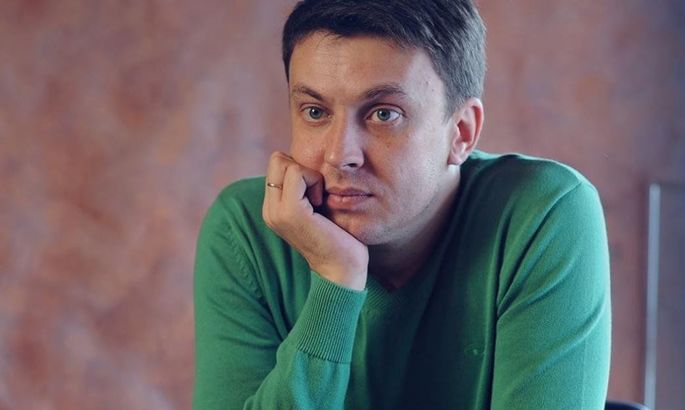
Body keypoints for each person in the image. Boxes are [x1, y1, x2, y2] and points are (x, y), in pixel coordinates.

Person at [193, 0, 611, 408]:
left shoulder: (542, 215)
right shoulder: (245, 231)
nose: (340, 155)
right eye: (316, 112)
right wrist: (337, 280)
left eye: (384, 114)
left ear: (462, 132)